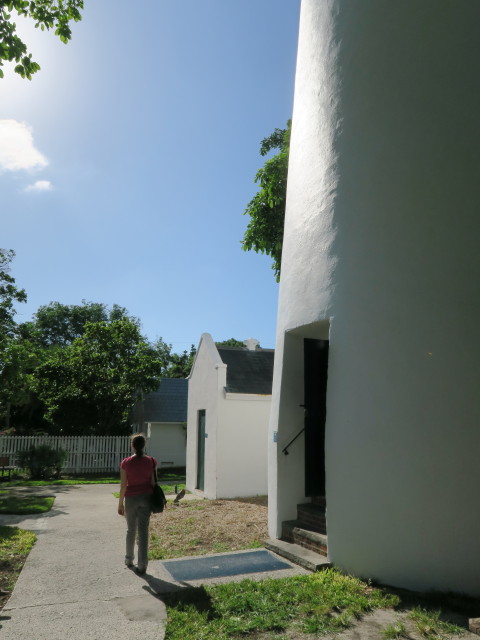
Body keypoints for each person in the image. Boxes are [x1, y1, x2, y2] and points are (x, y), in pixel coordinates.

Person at [118, 433, 156, 575]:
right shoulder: (151, 461)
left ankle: (129, 559)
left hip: (131, 499)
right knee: (143, 531)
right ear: (144, 445)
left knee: (131, 530)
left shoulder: (126, 462)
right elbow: (153, 482)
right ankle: (142, 565)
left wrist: (120, 503)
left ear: (132, 446)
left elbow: (123, 485)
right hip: (146, 498)